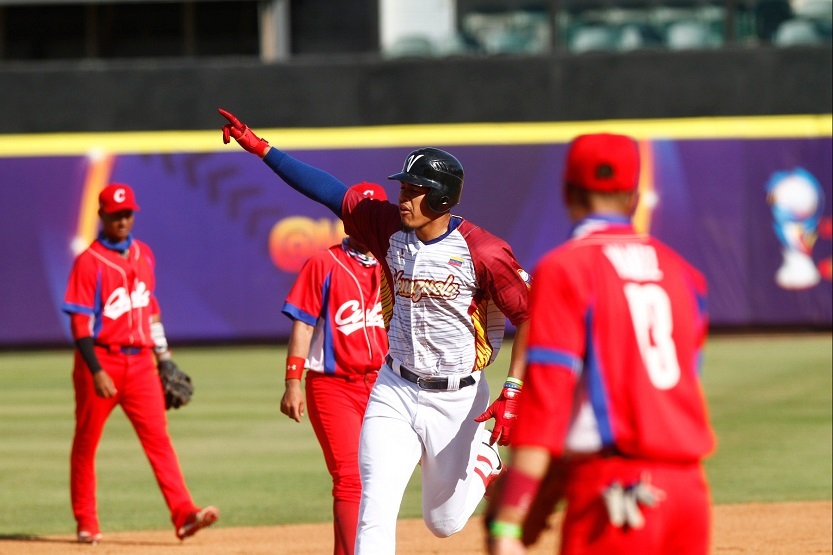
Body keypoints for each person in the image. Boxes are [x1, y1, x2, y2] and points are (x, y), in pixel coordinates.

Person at [219, 108, 531, 554]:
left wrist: (514, 389)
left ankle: (484, 459)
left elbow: (532, 318)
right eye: (402, 188)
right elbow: (329, 192)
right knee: (374, 508)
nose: (401, 198)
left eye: (413, 191)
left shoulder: (485, 251)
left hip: (459, 399)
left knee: (443, 523)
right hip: (395, 389)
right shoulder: (387, 226)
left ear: (441, 200)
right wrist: (260, 147)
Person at [486, 133, 716, 555]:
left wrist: (510, 519)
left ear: (566, 192)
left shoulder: (564, 268)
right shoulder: (684, 274)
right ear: (634, 197)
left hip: (616, 493)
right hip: (689, 495)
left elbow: (548, 401)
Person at [62, 183, 219, 544]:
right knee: (86, 442)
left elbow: (150, 309)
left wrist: (164, 358)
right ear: (101, 215)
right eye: (115, 214)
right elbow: (79, 324)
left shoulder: (144, 254)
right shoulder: (89, 262)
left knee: (159, 440)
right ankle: (86, 521)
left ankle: (184, 515)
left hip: (141, 363)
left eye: (127, 213)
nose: (122, 219)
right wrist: (95, 370)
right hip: (100, 359)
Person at [279, 182, 390, 555]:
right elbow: (304, 324)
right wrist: (292, 380)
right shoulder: (323, 263)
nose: (365, 223)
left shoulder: (395, 266)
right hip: (333, 385)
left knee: (377, 481)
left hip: (382, 385)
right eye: (359, 214)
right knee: (349, 478)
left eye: (373, 215)